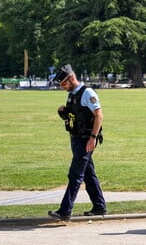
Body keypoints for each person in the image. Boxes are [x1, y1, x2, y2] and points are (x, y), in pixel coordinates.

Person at [48, 64, 106, 221]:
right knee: (88, 174)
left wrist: (93, 138)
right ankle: (99, 206)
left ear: (71, 78)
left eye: (63, 83)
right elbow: (75, 116)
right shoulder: (72, 94)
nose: (62, 87)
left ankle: (65, 211)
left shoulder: (87, 93)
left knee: (75, 174)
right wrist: (64, 113)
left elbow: (99, 115)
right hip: (76, 138)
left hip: (86, 140)